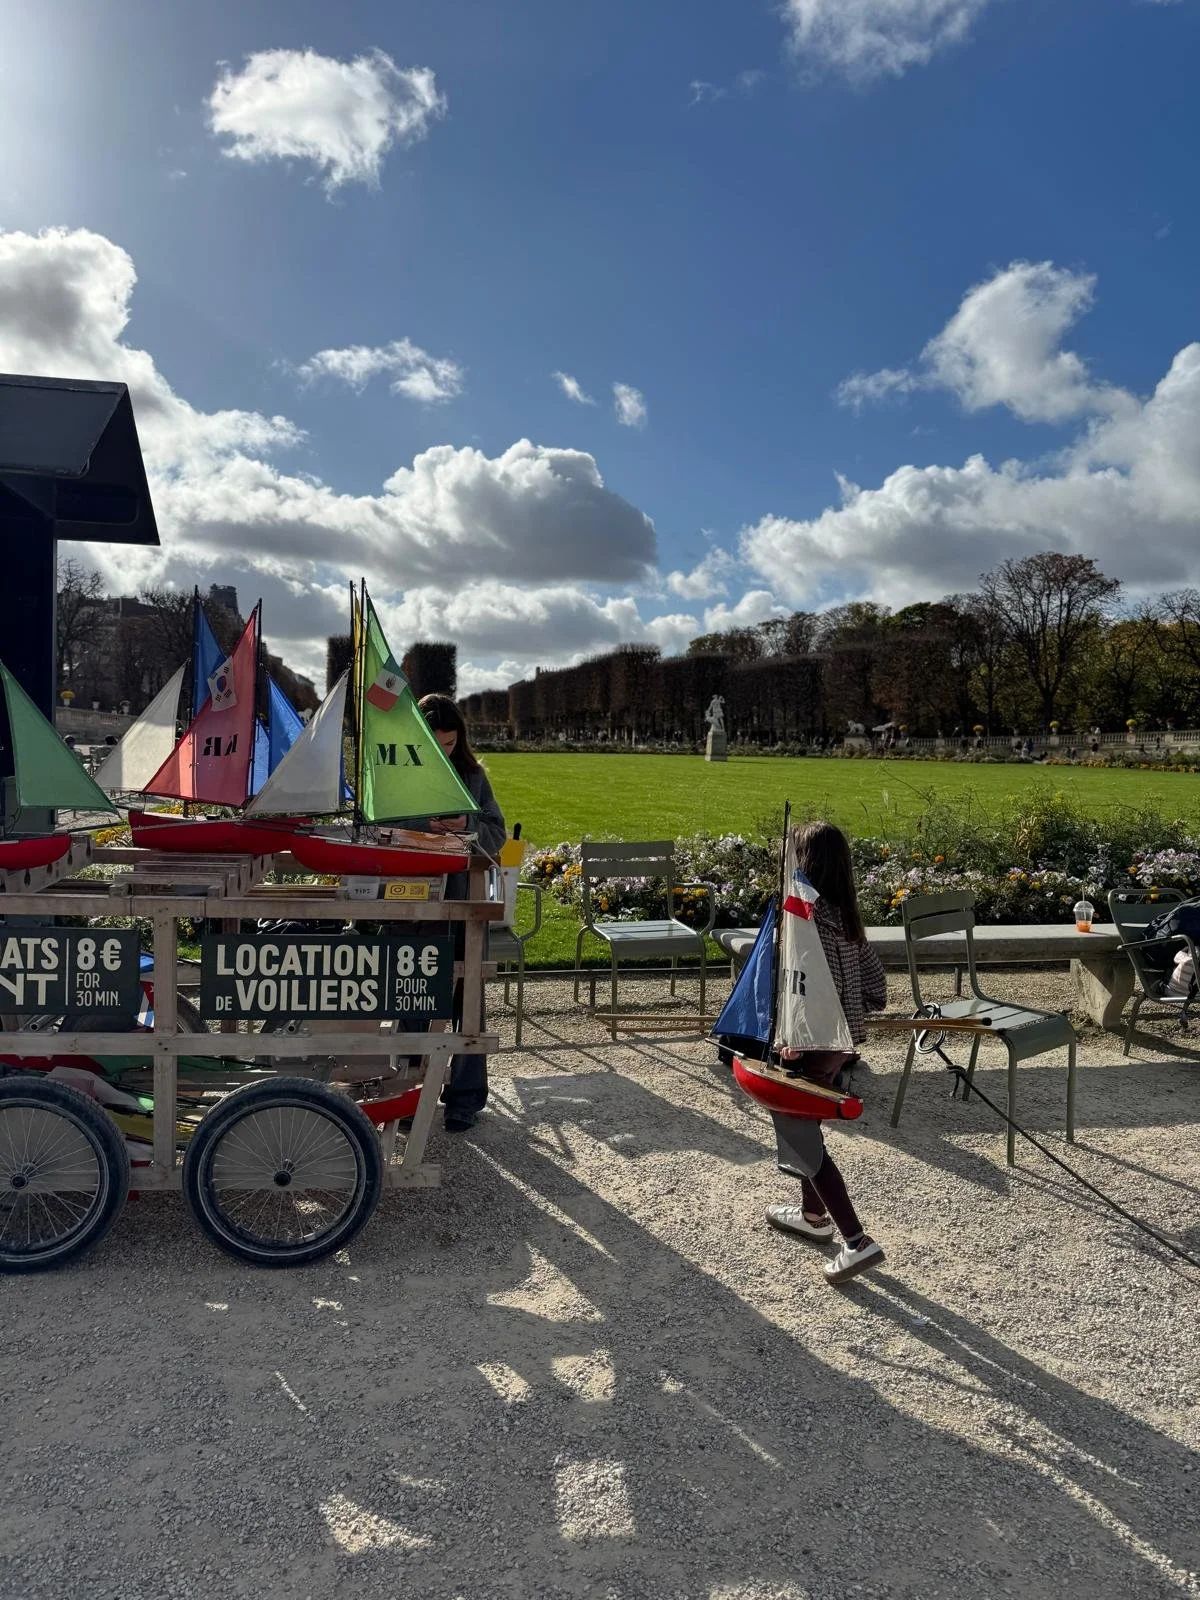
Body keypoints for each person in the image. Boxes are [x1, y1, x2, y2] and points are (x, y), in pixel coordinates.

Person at [766, 821, 888, 1286]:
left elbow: (792, 990)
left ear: (806, 864)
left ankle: (857, 1241)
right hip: (842, 1046)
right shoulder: (848, 917)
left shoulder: (802, 919)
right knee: (806, 1125)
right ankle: (813, 1217)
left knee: (801, 1137)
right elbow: (877, 991)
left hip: (807, 1045)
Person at [413, 695, 507, 1132]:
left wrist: (466, 827)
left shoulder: (472, 775)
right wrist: (421, 827)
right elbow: (374, 828)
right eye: (435, 743)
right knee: (411, 996)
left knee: (468, 1001)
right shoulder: (398, 774)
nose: (444, 751)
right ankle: (408, 1090)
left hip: (463, 901)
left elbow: (497, 833)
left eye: (450, 743)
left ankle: (465, 1098)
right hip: (412, 903)